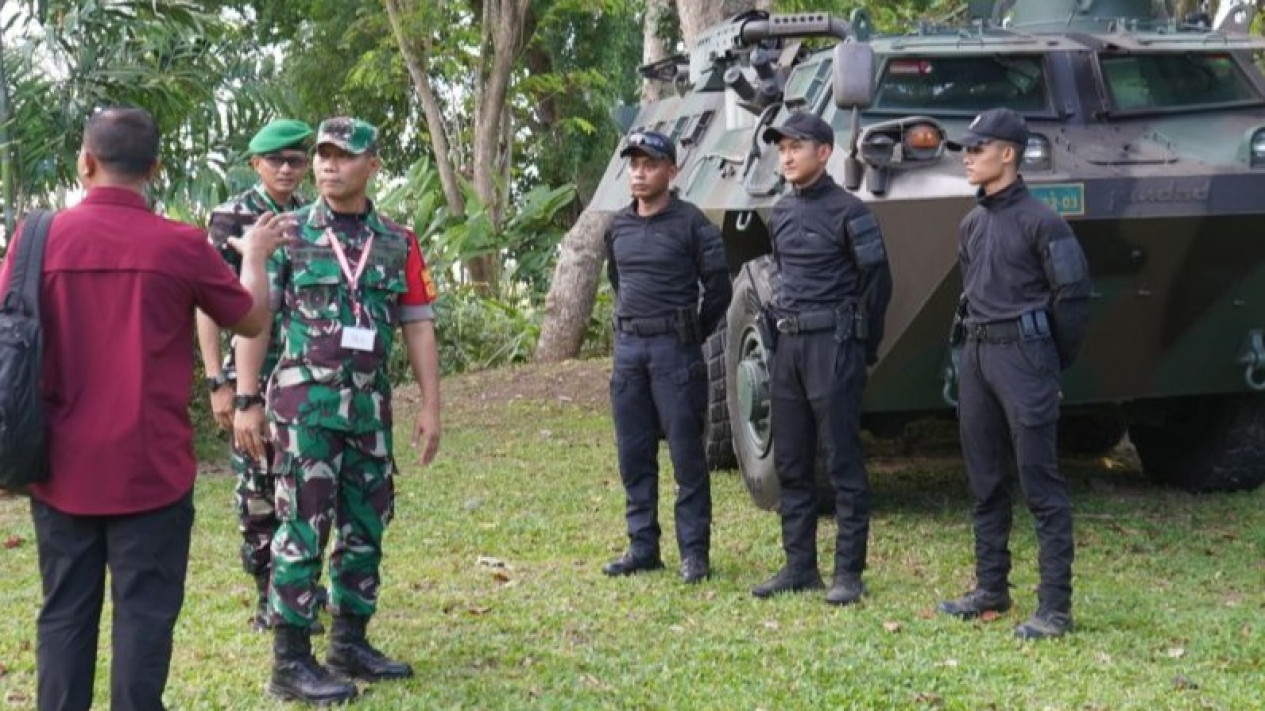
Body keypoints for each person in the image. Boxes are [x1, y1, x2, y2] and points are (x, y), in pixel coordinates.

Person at [1, 107, 283, 711]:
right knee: (144, 625)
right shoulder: (179, 244)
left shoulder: (34, 239)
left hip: (58, 468)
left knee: (63, 617)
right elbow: (252, 318)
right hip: (150, 473)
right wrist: (255, 255)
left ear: (85, 162)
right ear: (155, 168)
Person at [234, 117, 442, 704]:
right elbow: (255, 320)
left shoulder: (398, 240)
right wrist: (246, 399)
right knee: (302, 528)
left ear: (372, 165)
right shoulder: (287, 232)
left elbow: (418, 325)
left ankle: (349, 642)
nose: (327, 165)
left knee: (367, 526)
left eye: (342, 156)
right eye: (322, 155)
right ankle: (290, 660)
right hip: (305, 414)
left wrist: (430, 404)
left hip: (369, 411)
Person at [938, 107, 1091, 639]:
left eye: (977, 149)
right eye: (966, 148)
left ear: (1008, 153)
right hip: (977, 356)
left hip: (1024, 360)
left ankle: (1055, 608)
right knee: (984, 480)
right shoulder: (971, 222)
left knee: (1041, 485)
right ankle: (991, 588)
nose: (967, 157)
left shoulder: (1044, 222)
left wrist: (1048, 362)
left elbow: (1073, 300)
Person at [751, 112, 892, 606]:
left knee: (842, 462)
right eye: (782, 148)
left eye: (797, 147)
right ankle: (799, 566)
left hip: (834, 348)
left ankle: (848, 574)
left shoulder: (851, 212)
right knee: (791, 460)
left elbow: (878, 283)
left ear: (824, 153)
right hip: (787, 348)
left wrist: (861, 345)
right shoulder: (782, 212)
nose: (786, 156)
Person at [196, 118, 315, 633]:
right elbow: (206, 303)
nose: (287, 169)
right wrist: (216, 382)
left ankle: (302, 588)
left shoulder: (315, 216)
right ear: (256, 164)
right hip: (250, 376)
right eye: (276, 161)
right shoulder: (232, 217)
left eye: (296, 160)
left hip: (306, 372)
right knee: (257, 485)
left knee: (307, 483)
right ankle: (267, 593)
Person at [600, 130, 731, 585]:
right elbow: (619, 281)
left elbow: (719, 289)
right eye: (633, 164)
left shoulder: (693, 224)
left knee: (686, 456)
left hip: (676, 351)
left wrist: (690, 331)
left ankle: (694, 553)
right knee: (633, 454)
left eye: (649, 164)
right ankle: (642, 546)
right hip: (629, 350)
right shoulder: (617, 227)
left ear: (671, 171)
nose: (639, 172)